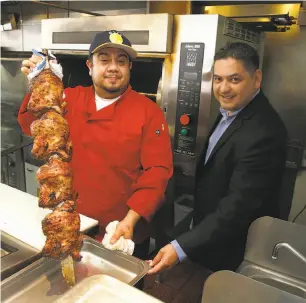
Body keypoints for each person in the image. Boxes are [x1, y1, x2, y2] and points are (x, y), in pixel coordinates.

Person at [18, 30, 173, 262]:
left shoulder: (148, 112)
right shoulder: (68, 98)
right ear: (90, 66)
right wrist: (37, 84)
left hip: (119, 230)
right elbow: (28, 123)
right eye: (104, 60)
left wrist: (130, 221)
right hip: (70, 221)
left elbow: (158, 172)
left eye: (121, 61)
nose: (113, 67)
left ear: (129, 68)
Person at [148, 42, 287, 275]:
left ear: (257, 79)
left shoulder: (264, 133)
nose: (223, 88)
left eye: (234, 79)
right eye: (218, 79)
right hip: (209, 231)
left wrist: (181, 247)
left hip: (233, 246)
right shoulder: (231, 112)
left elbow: (238, 208)